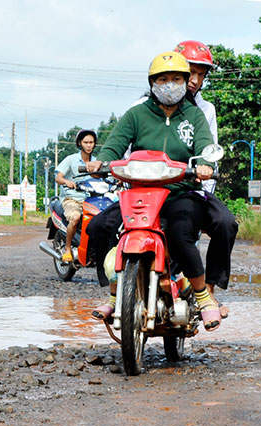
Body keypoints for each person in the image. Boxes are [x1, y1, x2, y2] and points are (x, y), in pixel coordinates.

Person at [86, 51, 223, 331]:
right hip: (138, 192)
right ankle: (114, 294)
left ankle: (203, 296)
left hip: (179, 192)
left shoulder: (195, 116)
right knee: (99, 226)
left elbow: (205, 148)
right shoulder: (137, 114)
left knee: (180, 233)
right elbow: (115, 144)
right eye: (163, 79)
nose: (169, 84)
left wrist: (205, 165)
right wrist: (102, 162)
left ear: (186, 83)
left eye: (176, 79)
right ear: (152, 83)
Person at [174, 40, 238, 318]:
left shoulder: (205, 110)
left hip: (192, 186)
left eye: (201, 75)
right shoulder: (144, 105)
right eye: (190, 73)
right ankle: (119, 296)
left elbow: (209, 153)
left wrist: (204, 186)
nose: (195, 81)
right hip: (152, 187)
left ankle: (208, 291)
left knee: (225, 223)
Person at [55, 129, 97, 262]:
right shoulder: (71, 159)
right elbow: (58, 177)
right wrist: (66, 181)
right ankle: (68, 249)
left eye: (91, 142)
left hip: (91, 199)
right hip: (71, 198)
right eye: (86, 142)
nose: (89, 145)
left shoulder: (97, 162)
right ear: (80, 143)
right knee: (75, 217)